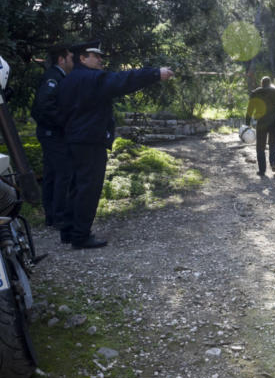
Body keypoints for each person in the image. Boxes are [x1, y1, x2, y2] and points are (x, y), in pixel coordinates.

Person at [57, 41, 175, 249]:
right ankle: (81, 236)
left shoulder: (70, 79)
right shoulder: (90, 78)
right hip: (90, 140)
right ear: (83, 58)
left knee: (76, 186)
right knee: (88, 188)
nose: (101, 60)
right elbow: (123, 80)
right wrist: (155, 74)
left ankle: (69, 230)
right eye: (96, 56)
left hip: (74, 139)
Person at [31, 43, 74, 228]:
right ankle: (59, 216)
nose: (73, 61)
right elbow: (44, 106)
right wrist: (64, 122)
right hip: (53, 134)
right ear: (61, 59)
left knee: (51, 174)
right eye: (71, 58)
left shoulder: (58, 76)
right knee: (63, 173)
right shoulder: (53, 78)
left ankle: (51, 215)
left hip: (50, 132)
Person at [245, 76, 275, 177]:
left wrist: (247, 124)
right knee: (273, 144)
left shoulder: (255, 93)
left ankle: (262, 171)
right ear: (270, 83)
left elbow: (250, 110)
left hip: (261, 122)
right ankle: (273, 163)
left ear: (261, 83)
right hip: (274, 122)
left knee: (260, 147)